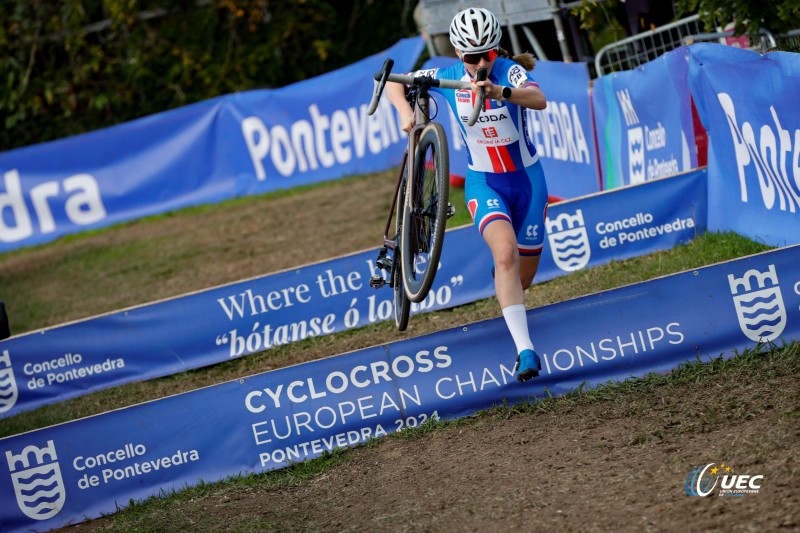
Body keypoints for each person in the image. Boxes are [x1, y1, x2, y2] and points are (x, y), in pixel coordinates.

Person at [386, 7, 548, 382]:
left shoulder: (509, 71)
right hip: (484, 182)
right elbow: (394, 80)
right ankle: (526, 353)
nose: (480, 64)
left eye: (487, 55)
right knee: (505, 253)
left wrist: (500, 91)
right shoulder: (446, 75)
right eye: (471, 58)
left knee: (520, 278)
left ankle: (505, 277)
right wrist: (403, 111)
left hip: (528, 182)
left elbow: (539, 100)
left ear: (497, 50)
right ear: (458, 54)